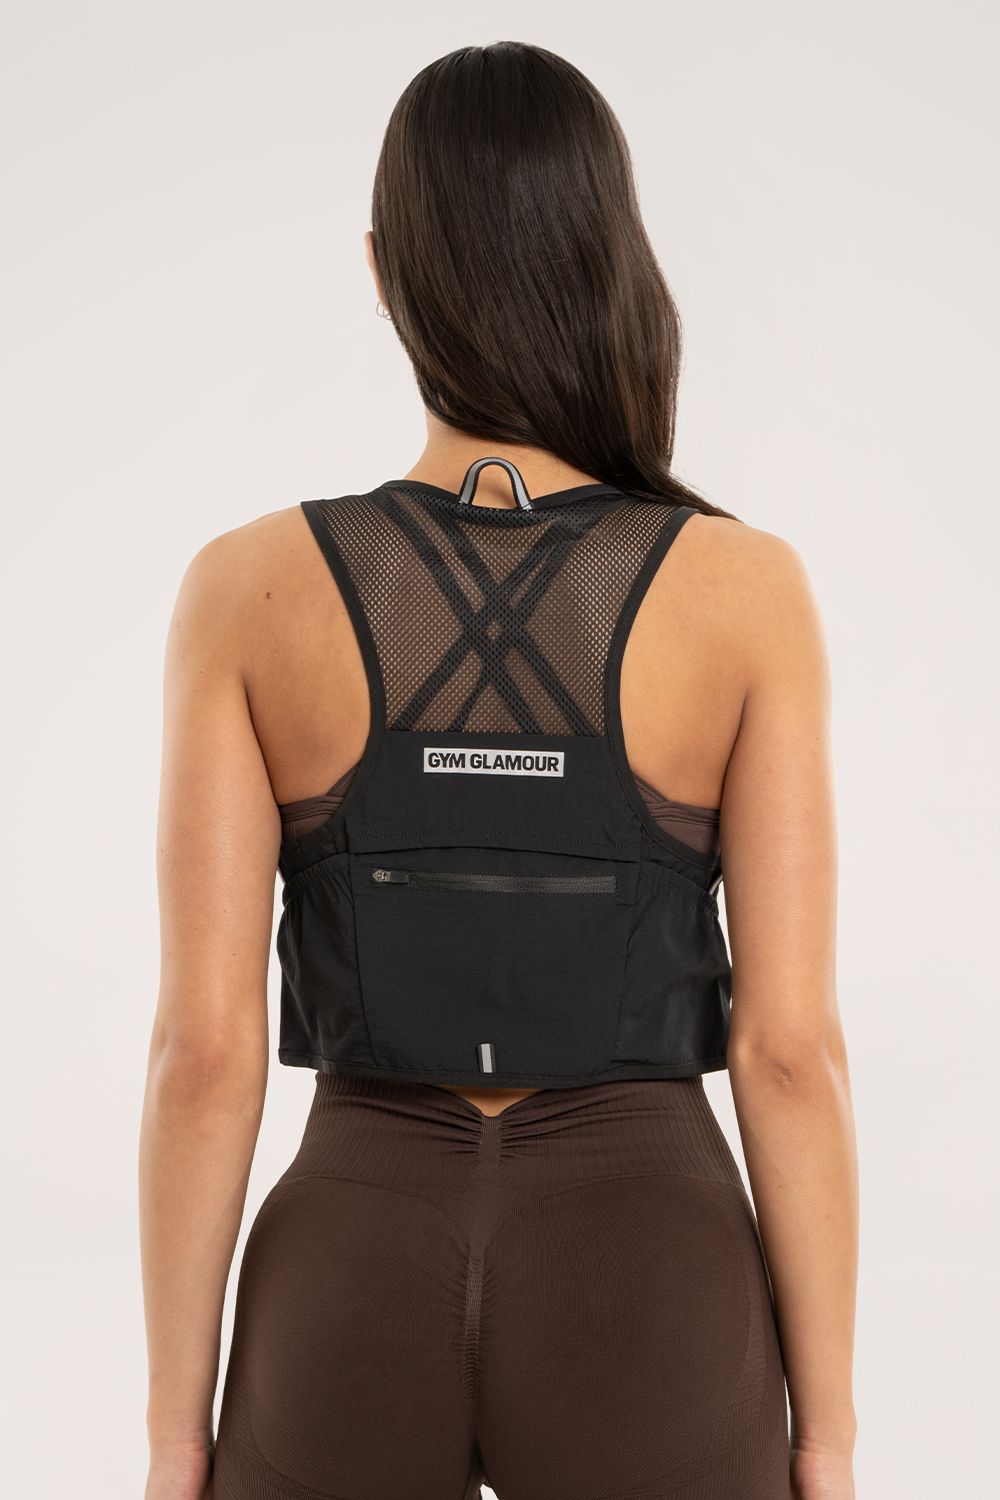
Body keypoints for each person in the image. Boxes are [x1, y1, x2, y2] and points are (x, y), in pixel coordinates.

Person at [140, 41, 858, 1500]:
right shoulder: (744, 592)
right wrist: (829, 1440)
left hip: (350, 1264)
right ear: (612, 255)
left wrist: (173, 1441)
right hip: (651, 1272)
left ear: (384, 271)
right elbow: (789, 1052)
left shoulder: (243, 591)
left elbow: (205, 1056)